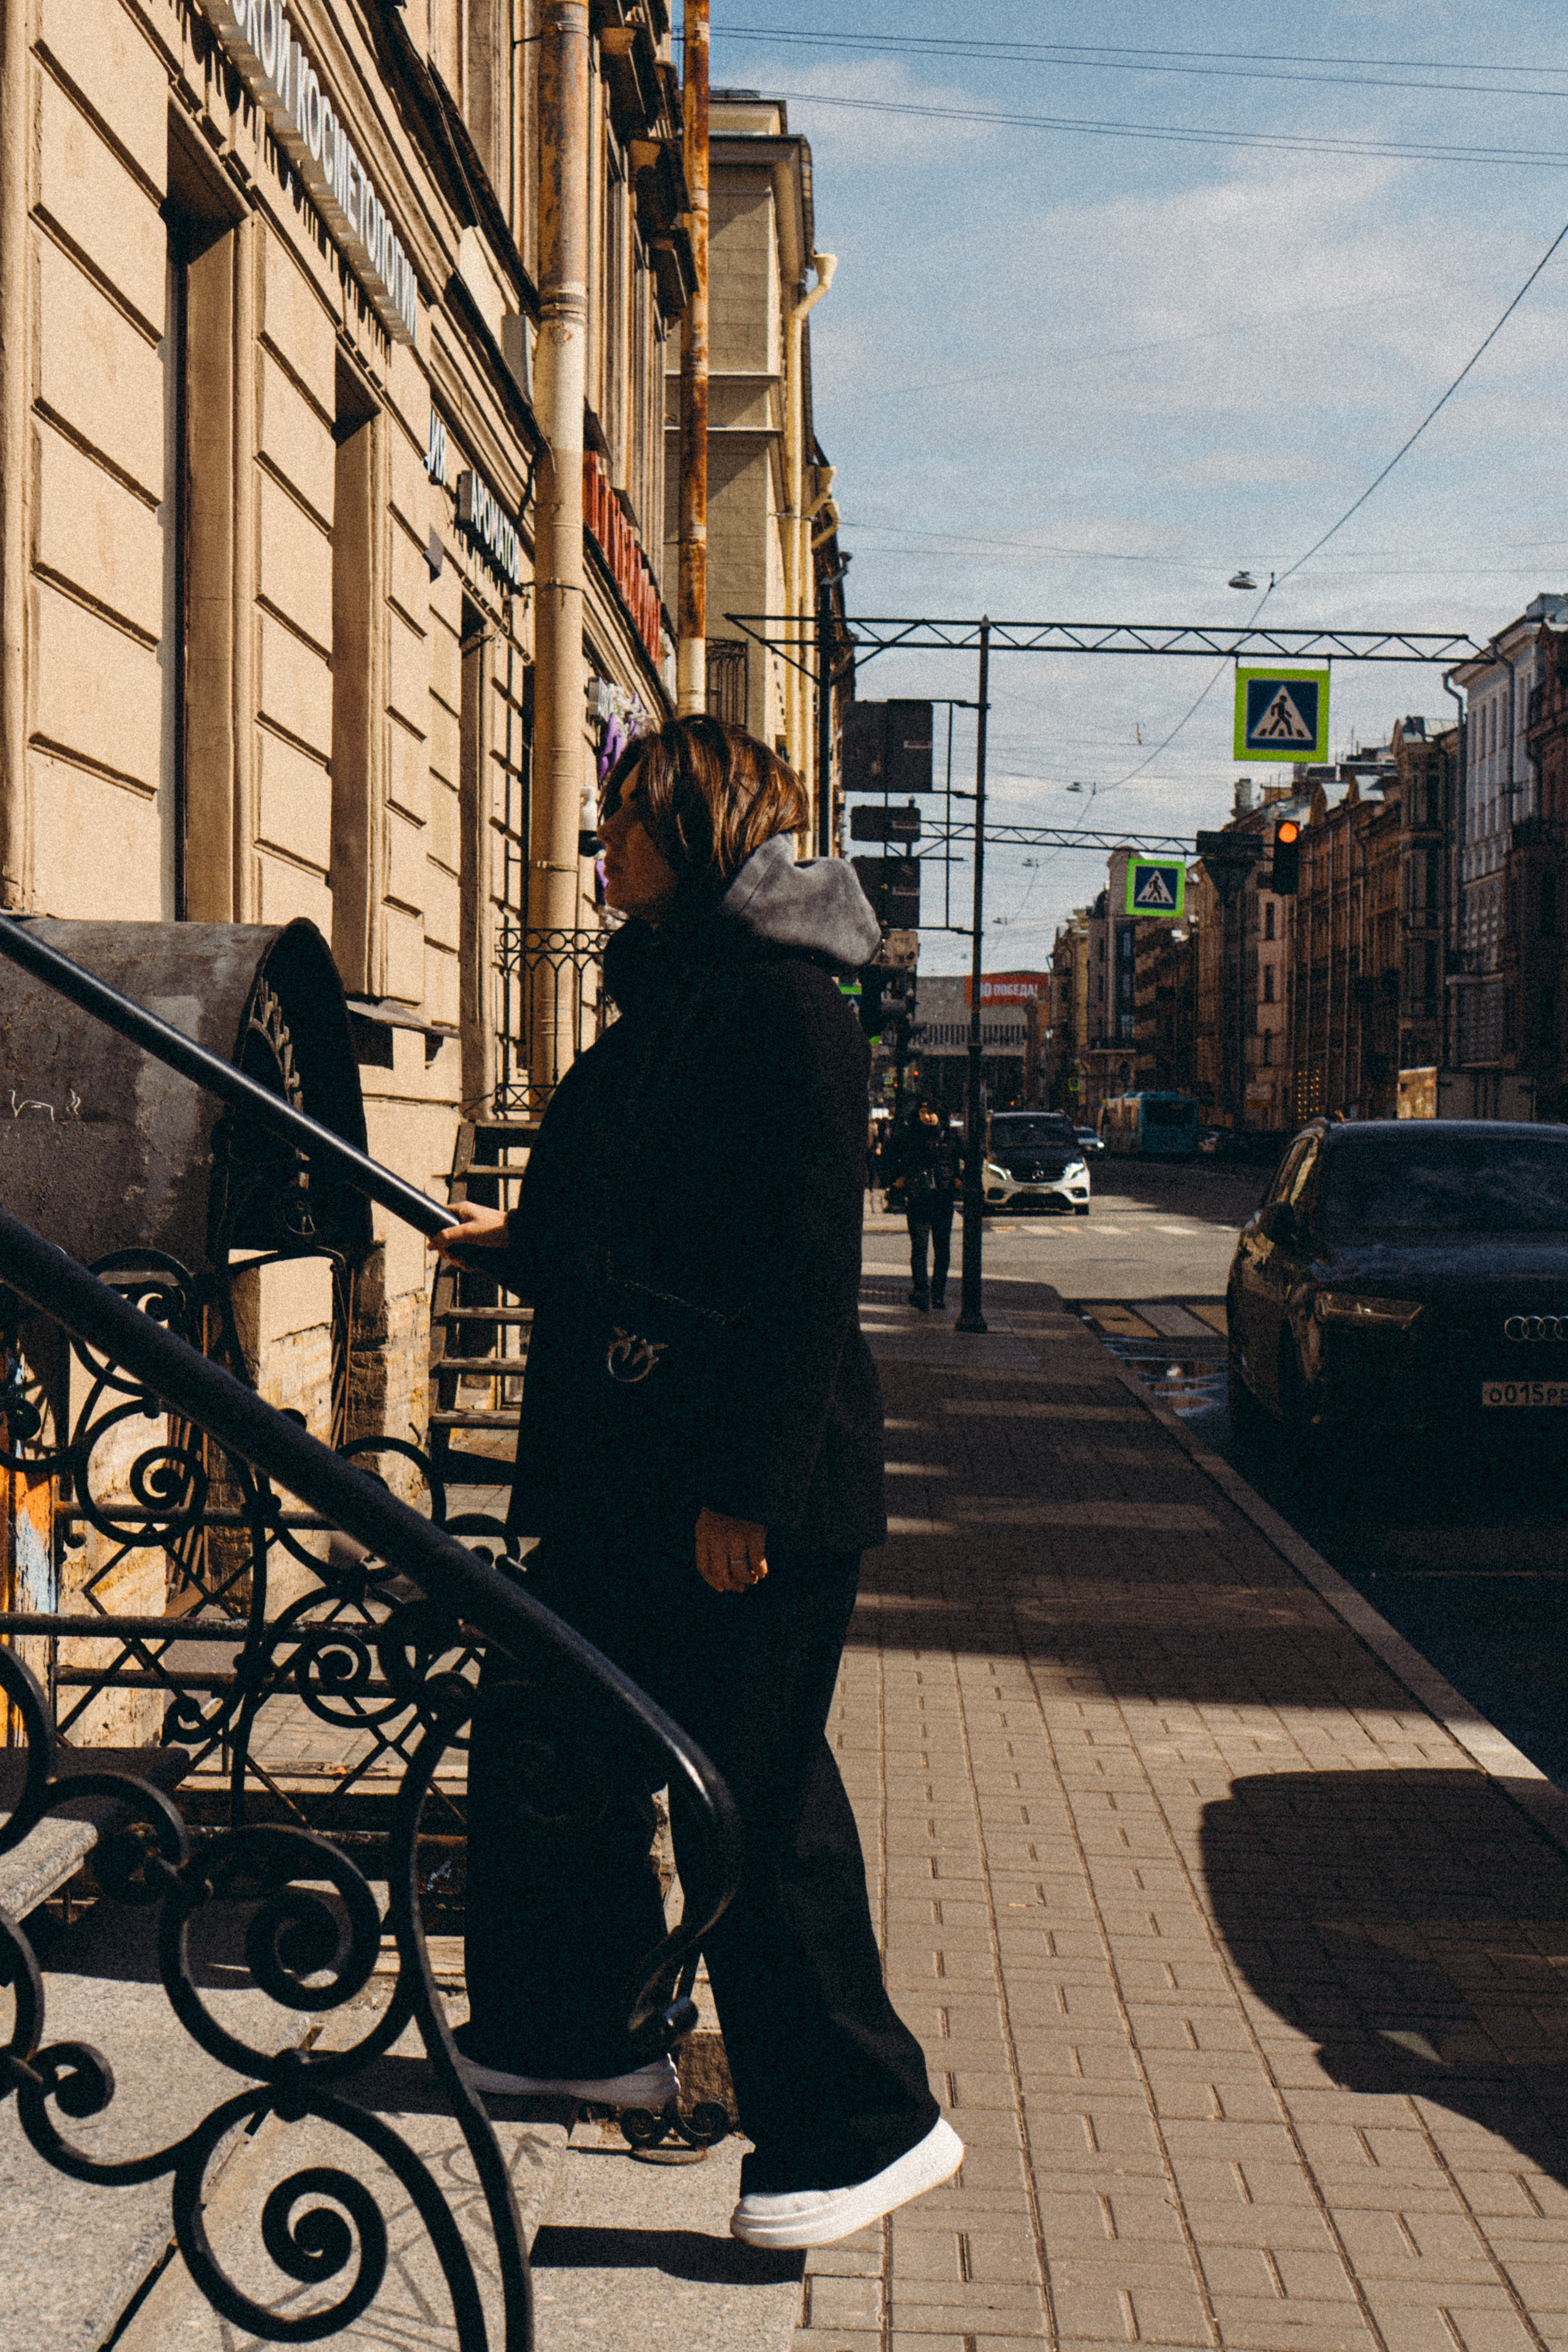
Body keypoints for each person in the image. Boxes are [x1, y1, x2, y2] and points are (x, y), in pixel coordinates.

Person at [432, 715, 961, 2251]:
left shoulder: (789, 1007)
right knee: (555, 1731)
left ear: (700, 821)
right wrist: (519, 1244)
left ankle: (864, 2122)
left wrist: (750, 1493)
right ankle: (568, 2023)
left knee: (751, 1797)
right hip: (623, 1462)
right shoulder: (669, 988)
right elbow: (651, 1211)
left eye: (624, 821)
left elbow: (802, 1272)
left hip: (739, 1485)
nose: (601, 846)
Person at [886, 1093, 959, 1312]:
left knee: (942, 1249)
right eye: (923, 1112)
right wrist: (899, 1178)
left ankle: (938, 1295)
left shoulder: (950, 1135)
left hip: (942, 1197)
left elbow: (962, 1158)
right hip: (918, 1196)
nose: (926, 1117)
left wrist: (959, 1179)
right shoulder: (910, 1135)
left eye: (930, 1113)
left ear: (939, 1114)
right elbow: (891, 1156)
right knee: (919, 1248)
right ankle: (921, 1292)